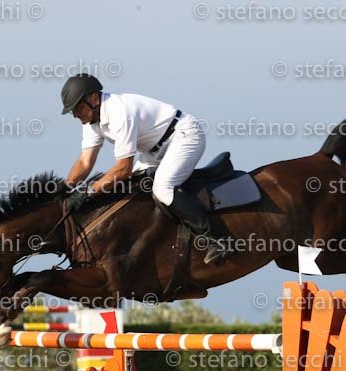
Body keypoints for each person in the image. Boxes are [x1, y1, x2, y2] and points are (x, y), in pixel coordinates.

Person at [61, 73, 224, 264]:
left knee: (162, 188)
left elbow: (123, 169)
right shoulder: (91, 120)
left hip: (184, 136)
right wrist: (64, 191)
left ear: (94, 99)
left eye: (77, 108)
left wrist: (88, 192)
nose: (75, 115)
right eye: (72, 111)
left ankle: (215, 239)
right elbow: (84, 162)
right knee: (130, 191)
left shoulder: (119, 112)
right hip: (153, 151)